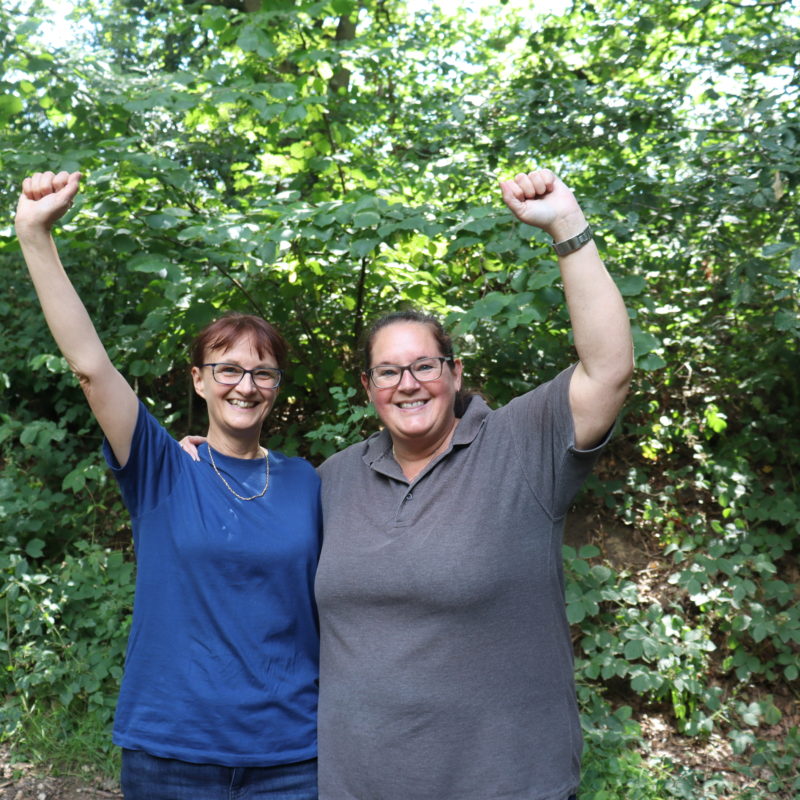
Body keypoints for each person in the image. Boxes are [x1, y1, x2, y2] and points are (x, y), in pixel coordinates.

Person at [313, 169, 633, 799]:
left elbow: (609, 369)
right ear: (369, 390)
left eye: (424, 365)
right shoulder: (333, 478)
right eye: (387, 372)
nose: (407, 384)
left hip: (506, 782)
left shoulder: (521, 444)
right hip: (358, 785)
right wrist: (208, 456)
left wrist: (567, 225)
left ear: (455, 373)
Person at [15, 170, 322, 800]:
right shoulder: (161, 467)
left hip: (293, 756)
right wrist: (34, 237)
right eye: (228, 369)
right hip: (171, 752)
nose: (245, 385)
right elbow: (90, 366)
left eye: (262, 373)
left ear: (277, 388)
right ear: (200, 380)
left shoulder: (310, 483)